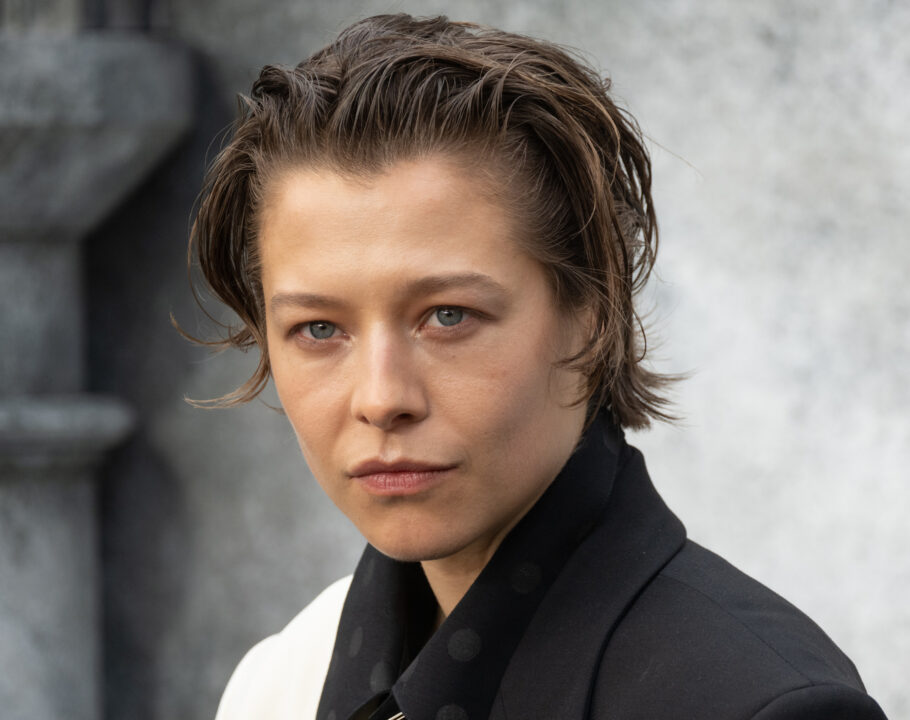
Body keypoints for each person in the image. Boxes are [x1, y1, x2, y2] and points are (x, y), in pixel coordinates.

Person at [186, 13, 886, 720]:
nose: (380, 398)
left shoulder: (759, 703)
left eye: (448, 316)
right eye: (318, 328)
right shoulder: (282, 681)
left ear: (591, 313)